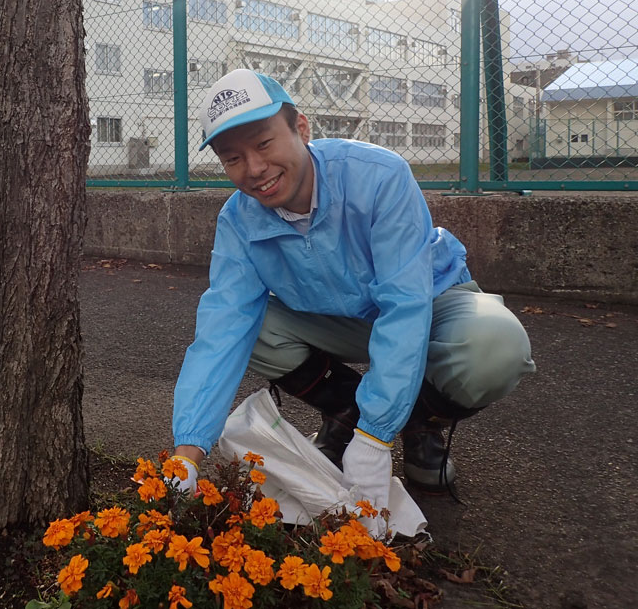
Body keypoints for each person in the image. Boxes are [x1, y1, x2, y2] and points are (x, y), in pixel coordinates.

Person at [170, 68, 535, 533]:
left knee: (494, 347)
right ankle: (347, 412)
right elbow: (221, 329)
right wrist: (188, 452)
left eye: (264, 144)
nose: (254, 168)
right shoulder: (239, 222)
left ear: (301, 129)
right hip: (340, 317)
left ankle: (420, 424)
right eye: (233, 157)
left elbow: (405, 303)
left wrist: (378, 433)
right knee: (250, 327)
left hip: (431, 298)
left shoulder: (378, 176)